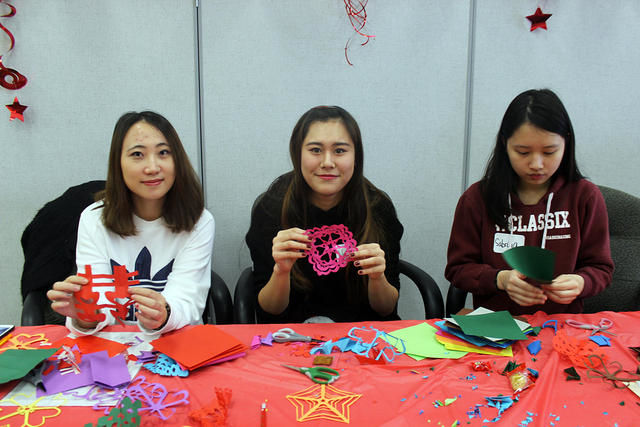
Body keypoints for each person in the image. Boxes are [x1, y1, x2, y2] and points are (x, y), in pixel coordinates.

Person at [445, 89, 613, 315]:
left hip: (561, 327)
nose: (537, 164)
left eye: (549, 151)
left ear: (566, 144)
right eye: (523, 152)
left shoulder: (584, 196)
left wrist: (582, 282)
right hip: (497, 328)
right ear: (505, 144)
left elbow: (601, 268)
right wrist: (500, 279)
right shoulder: (477, 198)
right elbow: (458, 269)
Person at [47, 111, 214, 334]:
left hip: (176, 345)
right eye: (137, 154)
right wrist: (87, 315)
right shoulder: (94, 218)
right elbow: (98, 300)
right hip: (112, 349)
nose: (153, 167)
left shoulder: (199, 221)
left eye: (163, 152)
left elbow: (187, 300)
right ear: (118, 164)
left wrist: (162, 315)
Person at [245, 106, 404, 323]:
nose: (327, 162)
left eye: (339, 151)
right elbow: (270, 311)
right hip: (291, 340)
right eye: (315, 150)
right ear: (297, 153)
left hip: (362, 339)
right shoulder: (272, 207)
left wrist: (377, 277)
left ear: (356, 156)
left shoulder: (377, 207)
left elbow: (385, 310)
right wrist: (281, 271)